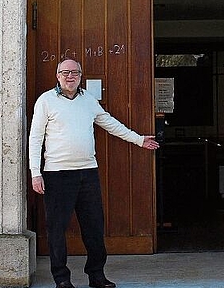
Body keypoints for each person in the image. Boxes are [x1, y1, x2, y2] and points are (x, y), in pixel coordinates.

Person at [29, 58, 159, 288]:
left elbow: (109, 123)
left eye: (75, 72)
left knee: (94, 227)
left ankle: (96, 275)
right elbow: (35, 138)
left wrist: (138, 140)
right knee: (57, 229)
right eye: (66, 72)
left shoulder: (88, 100)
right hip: (57, 175)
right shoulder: (46, 101)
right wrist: (35, 173)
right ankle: (62, 279)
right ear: (57, 75)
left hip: (87, 173)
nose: (70, 76)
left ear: (80, 76)